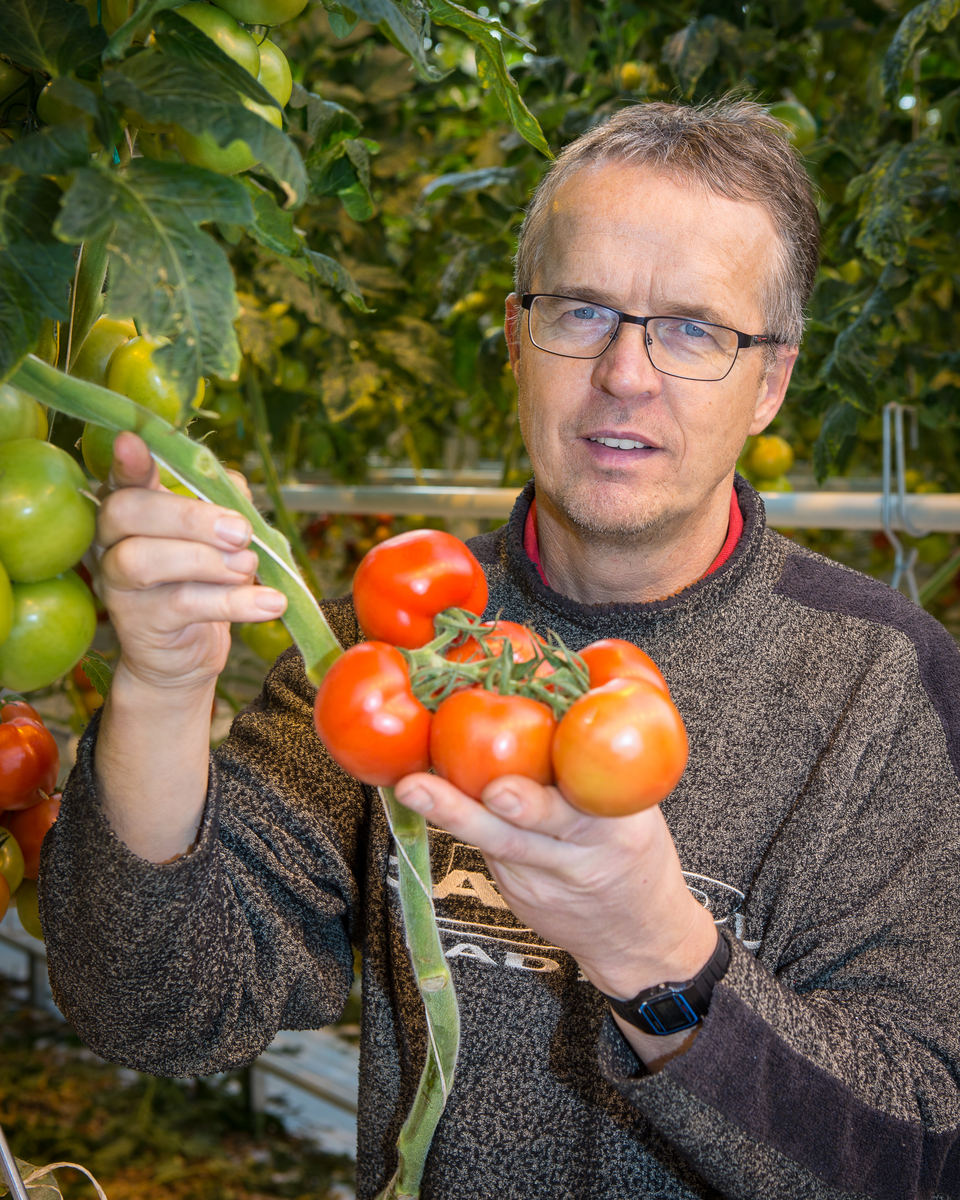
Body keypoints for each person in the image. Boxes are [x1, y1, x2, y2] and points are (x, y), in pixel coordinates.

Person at [41, 98, 960, 1199]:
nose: (627, 373)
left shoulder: (886, 685)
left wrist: (658, 954)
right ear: (518, 338)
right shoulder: (388, 645)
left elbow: (922, 1149)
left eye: (694, 329)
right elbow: (156, 1009)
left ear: (771, 381)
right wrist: (161, 688)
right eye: (581, 310)